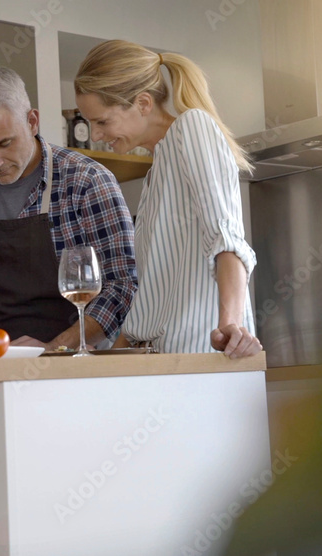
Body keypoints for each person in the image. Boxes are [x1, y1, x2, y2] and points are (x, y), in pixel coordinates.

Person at [0, 65, 137, 350]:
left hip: (69, 365)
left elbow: (122, 286)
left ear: (32, 121)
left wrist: (55, 349)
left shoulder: (86, 182)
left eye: (4, 143)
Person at [74, 40, 261, 358]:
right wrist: (107, 359)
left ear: (143, 103)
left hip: (198, 360)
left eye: (102, 121)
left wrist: (230, 326)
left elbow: (227, 240)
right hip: (159, 363)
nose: (95, 135)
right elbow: (152, 298)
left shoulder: (192, 127)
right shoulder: (157, 170)